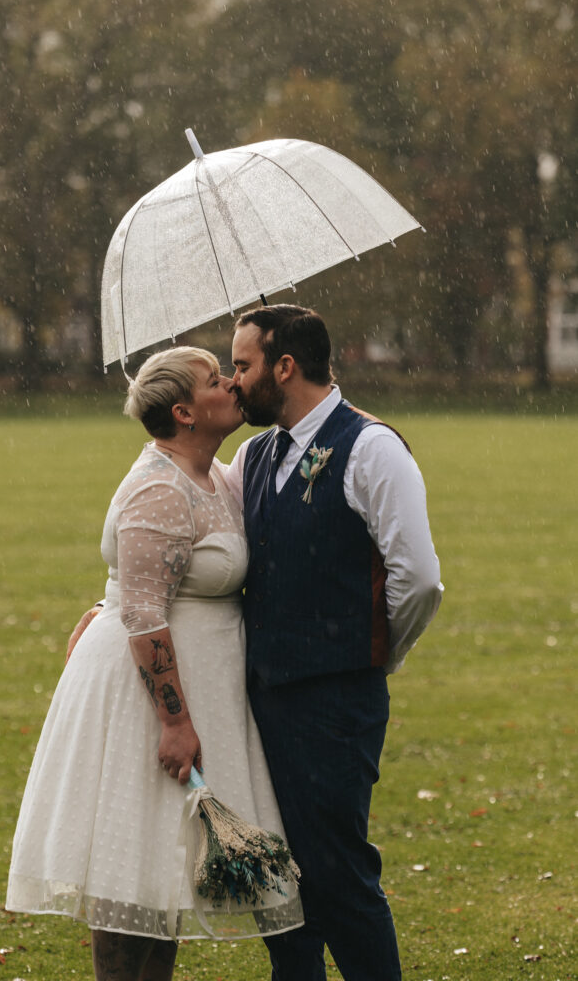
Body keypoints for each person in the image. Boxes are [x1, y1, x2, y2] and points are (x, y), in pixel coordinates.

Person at [6, 346, 303, 981]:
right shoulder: (159, 486)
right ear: (184, 412)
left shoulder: (218, 476)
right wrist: (174, 721)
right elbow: (143, 611)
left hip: (204, 685)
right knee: (129, 866)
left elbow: (144, 585)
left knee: (163, 873)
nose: (231, 385)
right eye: (215, 381)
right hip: (147, 700)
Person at [222, 303, 443, 981]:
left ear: (284, 366)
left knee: (337, 879)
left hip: (334, 705)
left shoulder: (371, 447)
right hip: (259, 705)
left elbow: (419, 579)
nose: (233, 383)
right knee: (278, 890)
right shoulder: (254, 453)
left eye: (242, 365)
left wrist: (374, 654)